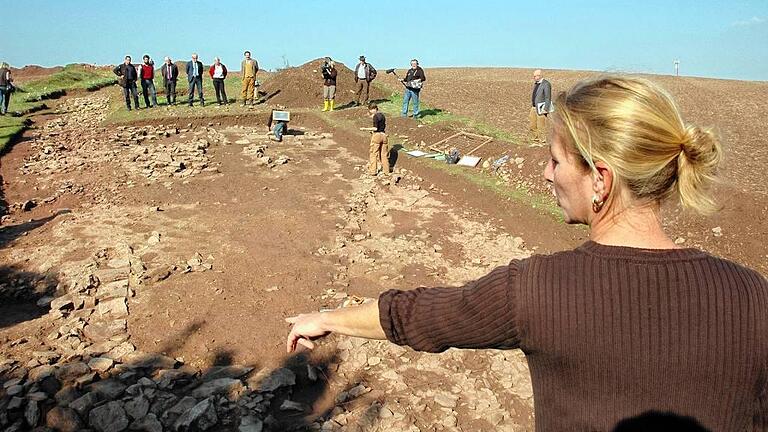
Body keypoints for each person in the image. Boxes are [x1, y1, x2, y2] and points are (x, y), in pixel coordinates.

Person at [286, 76, 768, 431]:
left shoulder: (538, 289)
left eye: (555, 160)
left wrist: (328, 317)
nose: (545, 174)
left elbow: (420, 316)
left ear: (600, 179)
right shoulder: (753, 295)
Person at [360, 103, 390, 176]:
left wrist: (365, 129)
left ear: (372, 109)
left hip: (377, 136)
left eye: (370, 110)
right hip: (384, 136)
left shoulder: (375, 117)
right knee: (384, 154)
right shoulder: (382, 115)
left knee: (373, 153)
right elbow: (381, 126)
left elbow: (375, 128)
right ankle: (386, 171)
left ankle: (373, 171)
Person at [529, 69, 552, 144]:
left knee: (541, 126)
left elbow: (548, 97)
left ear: (540, 75)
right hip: (534, 107)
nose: (535, 77)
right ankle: (535, 141)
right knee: (532, 125)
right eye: (534, 76)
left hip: (541, 109)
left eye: (536, 76)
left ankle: (542, 142)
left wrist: (546, 109)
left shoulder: (546, 84)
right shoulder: (536, 84)